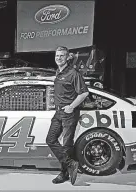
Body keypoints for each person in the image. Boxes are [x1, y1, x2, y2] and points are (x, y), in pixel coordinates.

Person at [45, 46, 89, 185]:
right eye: (57, 56)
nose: (59, 58)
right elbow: (57, 81)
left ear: (67, 57)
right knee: (51, 139)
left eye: (62, 56)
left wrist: (71, 107)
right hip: (58, 112)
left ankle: (64, 174)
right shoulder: (59, 72)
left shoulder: (73, 73)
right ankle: (71, 164)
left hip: (69, 113)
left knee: (67, 144)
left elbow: (84, 93)